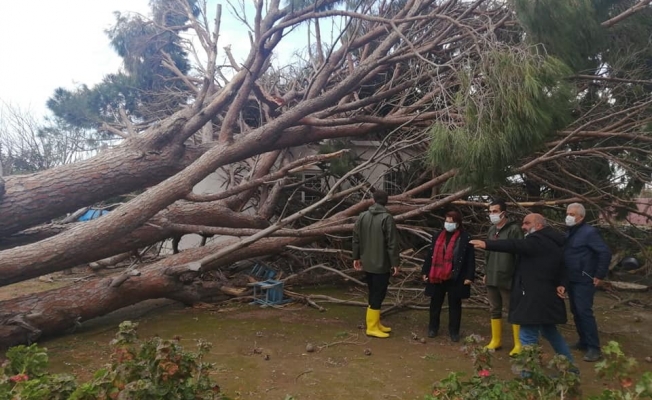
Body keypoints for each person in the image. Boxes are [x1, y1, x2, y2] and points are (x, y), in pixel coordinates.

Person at [470, 214, 575, 365]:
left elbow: (514, 245)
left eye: (527, 223)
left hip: (534, 296)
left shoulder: (537, 240)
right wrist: (562, 283)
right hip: (546, 296)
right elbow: (563, 265)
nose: (523, 227)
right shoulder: (554, 241)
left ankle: (528, 375)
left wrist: (487, 244)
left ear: (538, 225)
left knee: (527, 335)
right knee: (550, 332)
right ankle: (570, 367)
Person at [564, 203, 612, 362]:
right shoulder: (570, 232)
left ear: (581, 217)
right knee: (576, 311)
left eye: (572, 214)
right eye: (567, 213)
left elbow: (604, 252)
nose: (568, 217)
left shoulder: (589, 232)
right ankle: (583, 341)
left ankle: (594, 348)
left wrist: (599, 274)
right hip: (571, 278)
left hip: (584, 279)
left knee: (584, 312)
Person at [352, 189, 400, 338]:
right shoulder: (387, 218)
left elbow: (356, 238)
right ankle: (371, 327)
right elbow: (392, 243)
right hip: (381, 263)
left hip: (367, 261)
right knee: (378, 293)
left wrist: (356, 257)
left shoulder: (362, 216)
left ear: (373, 200)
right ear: (386, 201)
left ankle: (376, 322)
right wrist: (395, 263)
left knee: (373, 291)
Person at [421, 211, 475, 342]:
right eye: (447, 221)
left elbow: (470, 259)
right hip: (437, 275)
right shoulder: (437, 235)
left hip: (455, 276)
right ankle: (433, 328)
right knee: (435, 303)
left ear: (458, 223)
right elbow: (430, 254)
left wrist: (469, 276)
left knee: (455, 304)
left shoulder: (465, 237)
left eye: (451, 221)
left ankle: (454, 331)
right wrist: (425, 271)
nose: (448, 224)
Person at [484, 199, 524, 355]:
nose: (492, 214)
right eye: (490, 211)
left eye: (495, 211)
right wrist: (486, 273)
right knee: (494, 308)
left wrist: (518, 276)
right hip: (492, 275)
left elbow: (520, 253)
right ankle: (496, 340)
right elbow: (487, 253)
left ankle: (519, 343)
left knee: (512, 309)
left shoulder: (514, 230)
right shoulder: (491, 230)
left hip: (508, 276)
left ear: (503, 213)